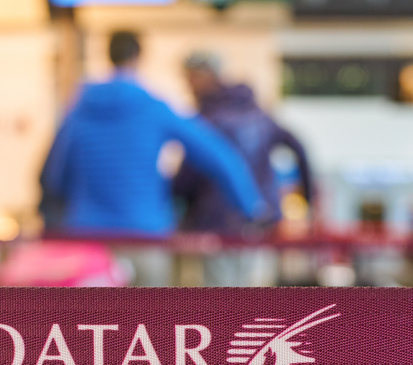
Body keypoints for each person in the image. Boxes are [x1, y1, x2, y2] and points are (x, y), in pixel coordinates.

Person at [40, 31, 265, 286]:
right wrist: (251, 207)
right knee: (150, 322)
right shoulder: (153, 107)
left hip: (89, 239)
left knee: (93, 324)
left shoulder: (79, 110)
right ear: (138, 56)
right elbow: (219, 156)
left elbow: (54, 175)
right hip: (145, 236)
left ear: (108, 54)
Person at [174, 51, 313, 287]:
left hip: (216, 225)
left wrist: (176, 198)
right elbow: (299, 148)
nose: (188, 85)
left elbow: (187, 177)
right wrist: (308, 199)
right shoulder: (259, 115)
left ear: (206, 75)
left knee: (218, 308)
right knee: (254, 307)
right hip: (261, 222)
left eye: (190, 78)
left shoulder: (207, 121)